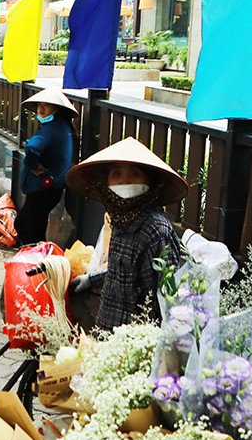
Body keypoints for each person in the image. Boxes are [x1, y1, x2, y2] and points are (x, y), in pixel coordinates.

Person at [65, 137, 187, 331]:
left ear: (150, 181)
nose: (125, 180)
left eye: (135, 173)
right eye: (116, 174)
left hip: (132, 343)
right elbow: (122, 271)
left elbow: (166, 301)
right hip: (105, 330)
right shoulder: (120, 221)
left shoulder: (157, 232)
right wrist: (91, 280)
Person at [16, 88, 78, 246]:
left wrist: (33, 166)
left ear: (57, 109)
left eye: (46, 106)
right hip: (50, 188)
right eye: (39, 105)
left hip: (42, 189)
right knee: (24, 224)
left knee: (32, 231)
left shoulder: (51, 129)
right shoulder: (64, 127)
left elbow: (32, 147)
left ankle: (33, 262)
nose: (41, 109)